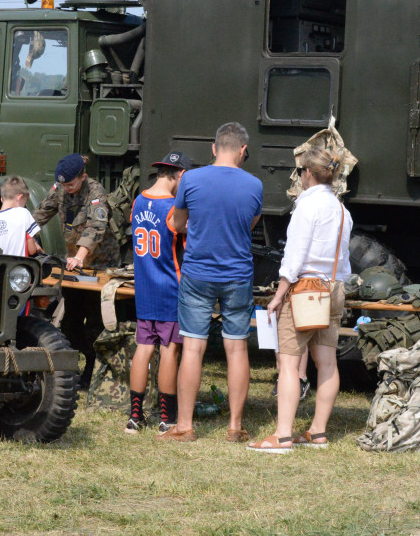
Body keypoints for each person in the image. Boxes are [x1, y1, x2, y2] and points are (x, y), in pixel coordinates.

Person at [159, 123, 263, 443]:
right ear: (243, 151)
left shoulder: (190, 178)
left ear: (214, 147)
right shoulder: (255, 185)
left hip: (198, 275)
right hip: (238, 276)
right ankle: (234, 426)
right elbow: (249, 224)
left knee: (192, 348)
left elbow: (176, 224)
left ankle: (185, 426)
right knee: (236, 349)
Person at [248, 146, 352, 453]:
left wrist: (279, 295)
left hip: (305, 290)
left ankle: (281, 436)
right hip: (333, 287)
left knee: (290, 365)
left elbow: (293, 259)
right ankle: (317, 433)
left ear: (307, 174)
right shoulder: (342, 211)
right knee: (328, 363)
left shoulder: (307, 207)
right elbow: (343, 261)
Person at [32, 152, 119, 387]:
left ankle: (91, 372)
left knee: (94, 323)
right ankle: (71, 369)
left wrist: (80, 256)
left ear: (83, 176)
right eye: (63, 184)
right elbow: (41, 213)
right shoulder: (60, 188)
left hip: (99, 266)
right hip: (75, 268)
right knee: (69, 322)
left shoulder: (95, 191)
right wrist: (28, 235)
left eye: (71, 183)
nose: (67, 188)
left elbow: (96, 227)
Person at [126, 150, 193, 434]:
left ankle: (134, 417)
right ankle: (167, 418)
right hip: (169, 288)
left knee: (143, 349)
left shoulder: (138, 201)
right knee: (169, 350)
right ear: (180, 175)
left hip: (144, 289)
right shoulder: (172, 209)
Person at [0, 175, 41, 257]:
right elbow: (31, 250)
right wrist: (36, 246)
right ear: (20, 197)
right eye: (24, 202)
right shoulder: (23, 213)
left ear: (1, 199)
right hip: (19, 267)